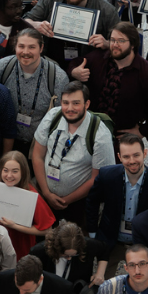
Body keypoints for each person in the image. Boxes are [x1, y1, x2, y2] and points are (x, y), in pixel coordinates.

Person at [69, 22, 148, 146]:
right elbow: (75, 62)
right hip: (90, 132)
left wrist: (143, 131)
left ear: (132, 44)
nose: (115, 45)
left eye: (121, 41)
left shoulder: (146, 72)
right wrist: (75, 71)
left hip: (120, 141)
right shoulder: (99, 58)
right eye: (112, 40)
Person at [32, 82, 115, 225]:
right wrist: (46, 192)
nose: (70, 108)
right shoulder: (53, 116)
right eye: (65, 103)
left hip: (77, 205)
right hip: (44, 195)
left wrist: (66, 200)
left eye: (76, 103)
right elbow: (38, 155)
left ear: (87, 104)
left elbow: (97, 178)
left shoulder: (100, 135)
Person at [85, 134, 148, 278]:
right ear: (119, 157)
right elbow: (92, 201)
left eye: (136, 155)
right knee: (103, 285)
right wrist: (93, 233)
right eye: (126, 157)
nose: (132, 161)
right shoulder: (106, 175)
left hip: (142, 244)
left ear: (145, 153)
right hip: (110, 241)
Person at [0, 29, 69, 156]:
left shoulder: (57, 77)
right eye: (21, 46)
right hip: (4, 141)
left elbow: (61, 118)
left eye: (32, 47)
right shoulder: (2, 67)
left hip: (39, 147)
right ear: (15, 47)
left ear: (41, 48)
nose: (25, 52)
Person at [23, 0, 120, 66]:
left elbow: (123, 42)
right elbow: (25, 21)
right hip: (52, 64)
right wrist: (35, 25)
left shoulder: (106, 9)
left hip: (88, 68)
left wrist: (107, 44)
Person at [0, 151, 55, 260]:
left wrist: (14, 226)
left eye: (15, 171)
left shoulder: (32, 196)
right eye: (5, 170)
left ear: (23, 172)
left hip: (18, 246)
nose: (9, 175)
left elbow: (48, 229)